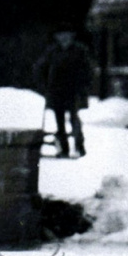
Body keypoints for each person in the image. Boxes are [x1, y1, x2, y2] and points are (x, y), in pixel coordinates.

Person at [34, 25, 93, 158]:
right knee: (59, 121)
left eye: (67, 35)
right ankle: (64, 149)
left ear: (72, 36)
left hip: (74, 91)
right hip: (57, 91)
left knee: (74, 119)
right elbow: (40, 68)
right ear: (57, 37)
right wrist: (44, 85)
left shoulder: (80, 50)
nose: (64, 38)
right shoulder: (53, 52)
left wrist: (84, 86)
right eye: (61, 35)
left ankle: (79, 147)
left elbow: (88, 70)